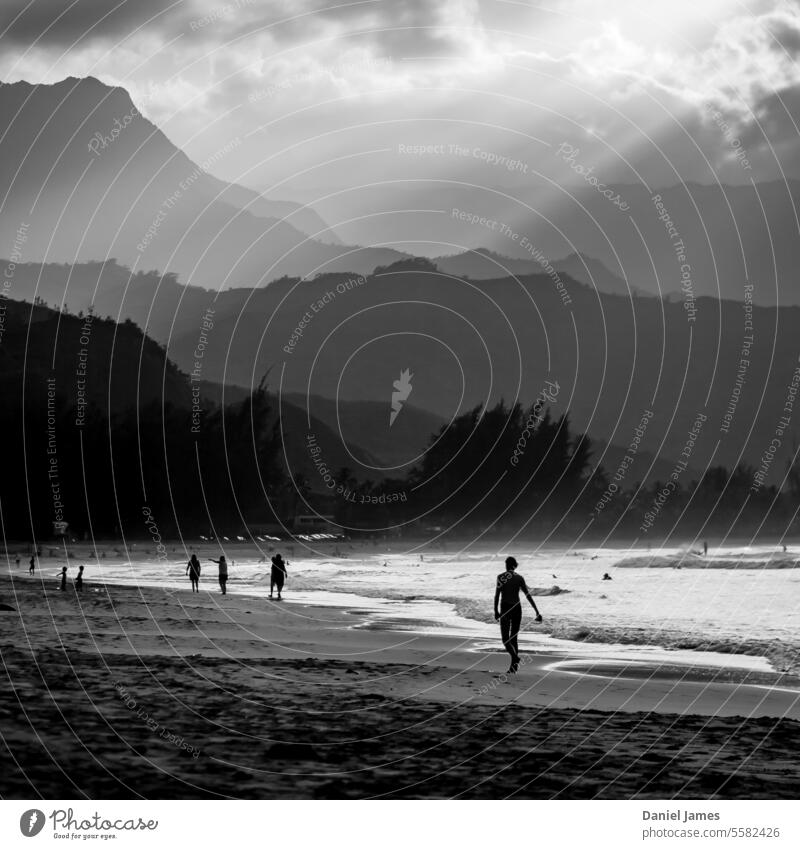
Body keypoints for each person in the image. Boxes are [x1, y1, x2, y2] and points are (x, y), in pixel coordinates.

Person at [493, 557, 542, 673]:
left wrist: (495, 611)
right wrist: (537, 611)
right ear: (515, 565)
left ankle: (515, 659)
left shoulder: (501, 577)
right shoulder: (519, 578)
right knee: (513, 638)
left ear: (506, 565)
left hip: (505, 608)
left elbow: (497, 595)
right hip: (517, 609)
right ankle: (513, 667)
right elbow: (528, 595)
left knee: (506, 639)